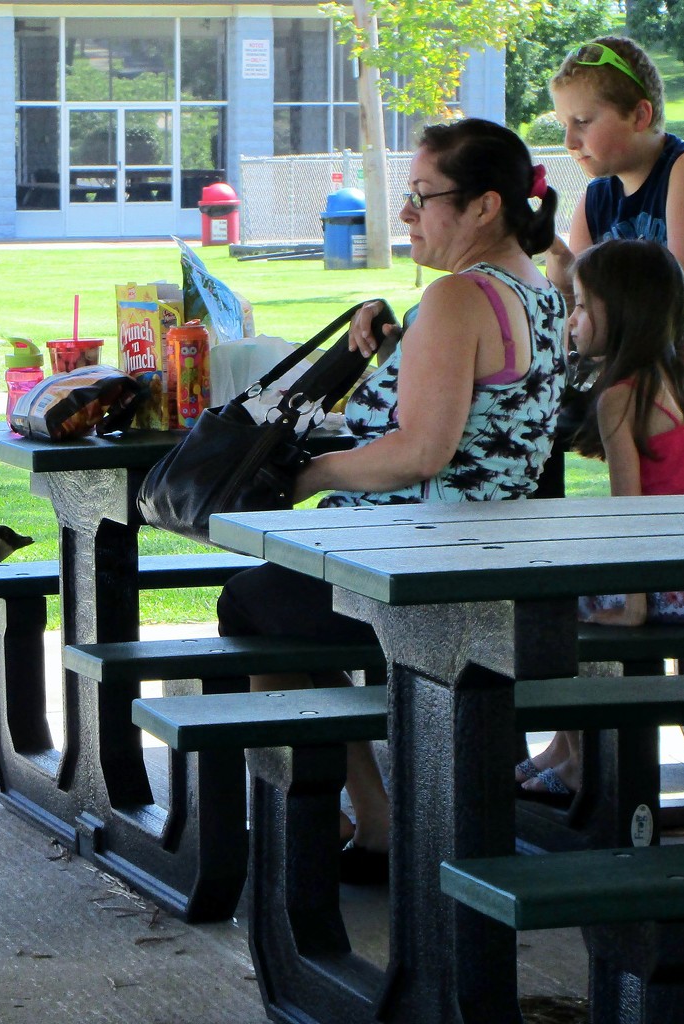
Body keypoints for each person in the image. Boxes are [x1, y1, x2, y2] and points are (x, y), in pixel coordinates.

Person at [216, 117, 568, 883]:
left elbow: (421, 451)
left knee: (250, 602)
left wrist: (308, 478)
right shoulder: (537, 293)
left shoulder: (457, 298)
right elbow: (472, 428)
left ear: (483, 207)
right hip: (486, 553)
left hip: (419, 562)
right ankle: (371, 814)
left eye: (421, 196)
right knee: (273, 599)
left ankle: (335, 828)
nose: (405, 213)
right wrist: (390, 356)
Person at [518, 239, 684, 803]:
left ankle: (577, 761)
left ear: (618, 314)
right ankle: (563, 750)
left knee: (538, 607)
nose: (571, 321)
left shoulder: (620, 398)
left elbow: (631, 519)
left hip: (674, 591)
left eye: (579, 305)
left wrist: (635, 607)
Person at [546, 36, 684, 328]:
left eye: (583, 121)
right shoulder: (594, 201)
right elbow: (574, 315)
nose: (569, 142)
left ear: (640, 116)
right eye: (564, 126)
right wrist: (558, 262)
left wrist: (592, 297)